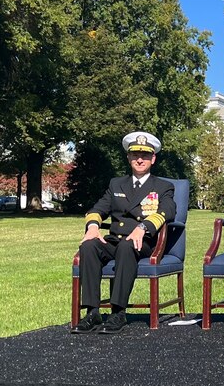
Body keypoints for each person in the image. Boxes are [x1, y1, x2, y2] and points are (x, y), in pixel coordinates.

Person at [74, 131, 176, 334]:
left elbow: (168, 211)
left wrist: (142, 227)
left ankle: (118, 312)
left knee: (126, 246)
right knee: (88, 245)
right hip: (115, 240)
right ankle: (92, 312)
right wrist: (93, 226)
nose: (140, 159)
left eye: (145, 155)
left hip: (143, 242)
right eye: (135, 155)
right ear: (128, 157)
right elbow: (97, 209)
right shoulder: (116, 184)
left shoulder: (163, 186)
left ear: (153, 159)